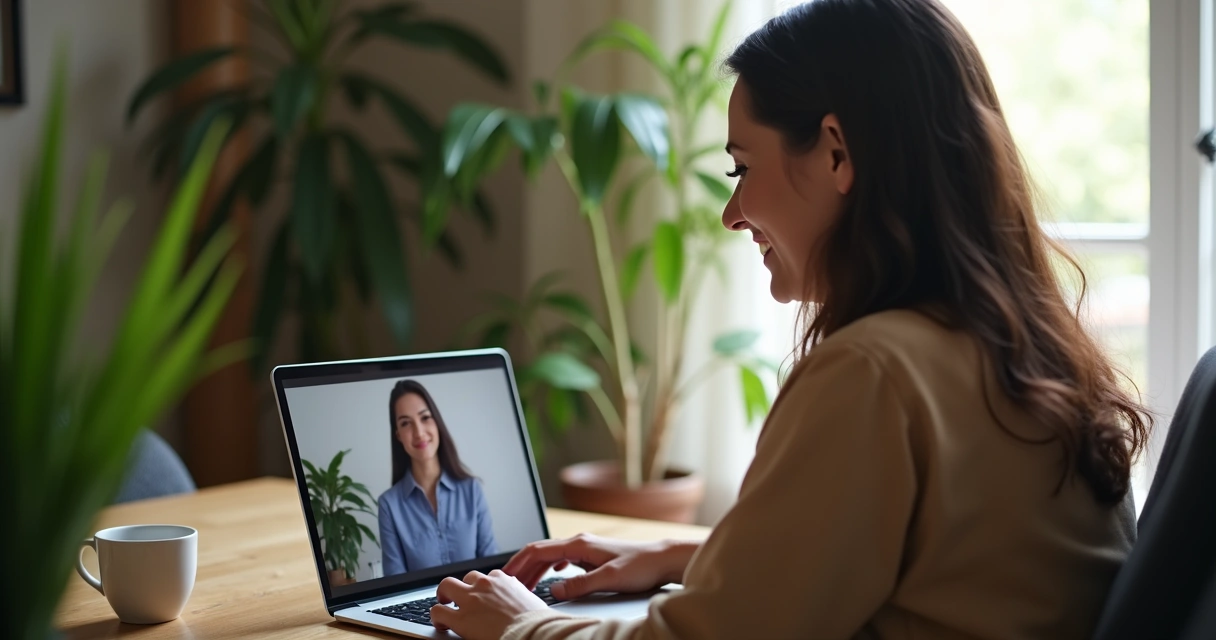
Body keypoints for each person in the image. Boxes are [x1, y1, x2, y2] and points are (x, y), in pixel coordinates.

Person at [425, 0, 1150, 637]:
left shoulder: (876, 371)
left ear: (837, 152)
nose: (731, 213)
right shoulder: (1020, 345)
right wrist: (703, 557)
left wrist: (524, 626)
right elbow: (945, 573)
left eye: (741, 166)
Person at [377, 379, 497, 576]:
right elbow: (395, 584)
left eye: (425, 418)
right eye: (406, 423)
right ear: (398, 435)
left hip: (478, 600)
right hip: (423, 607)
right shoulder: (389, 505)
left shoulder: (472, 490)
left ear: (437, 422)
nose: (419, 432)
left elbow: (493, 568)